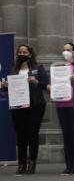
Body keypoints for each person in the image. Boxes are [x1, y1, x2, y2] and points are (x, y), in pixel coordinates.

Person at [0, 44, 49, 174]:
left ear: (30, 54)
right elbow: (8, 88)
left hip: (35, 105)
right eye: (20, 52)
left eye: (24, 52)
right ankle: (21, 163)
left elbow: (46, 85)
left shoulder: (38, 68)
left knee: (33, 134)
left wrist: (36, 82)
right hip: (18, 106)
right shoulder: (13, 69)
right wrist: (4, 85)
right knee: (21, 135)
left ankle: (32, 162)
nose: (22, 54)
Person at [48, 43, 74, 174]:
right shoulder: (57, 68)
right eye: (64, 50)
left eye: (68, 50)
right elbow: (53, 85)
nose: (66, 52)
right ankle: (68, 164)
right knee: (66, 135)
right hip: (61, 104)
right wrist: (51, 88)